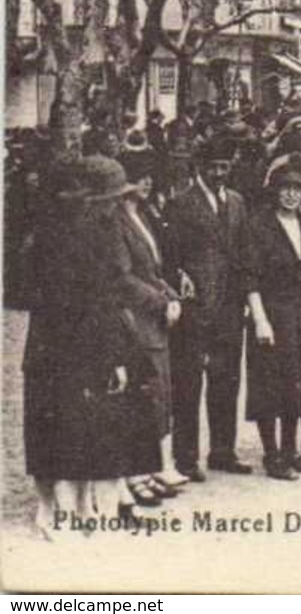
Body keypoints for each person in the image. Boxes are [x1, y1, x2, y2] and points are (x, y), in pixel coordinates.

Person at [26, 157, 153, 532]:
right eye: (110, 199)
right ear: (89, 200)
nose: (115, 206)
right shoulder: (80, 238)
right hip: (69, 346)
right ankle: (60, 513)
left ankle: (82, 510)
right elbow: (96, 300)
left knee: (78, 426)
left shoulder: (60, 231)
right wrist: (112, 357)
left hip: (59, 344)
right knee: (66, 427)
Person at [244, 158, 301, 480]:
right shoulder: (259, 225)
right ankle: (273, 455)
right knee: (270, 382)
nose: (291, 196)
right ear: (275, 192)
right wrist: (260, 320)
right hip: (273, 310)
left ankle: (291, 450)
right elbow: (251, 277)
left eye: (297, 190)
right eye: (286, 189)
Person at [166, 136, 252, 479]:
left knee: (226, 380)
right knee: (188, 383)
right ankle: (186, 458)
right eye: (213, 167)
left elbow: (244, 253)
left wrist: (246, 299)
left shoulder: (237, 202)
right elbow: (169, 255)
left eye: (224, 167)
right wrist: (180, 277)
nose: (219, 172)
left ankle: (222, 451)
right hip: (195, 307)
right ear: (200, 167)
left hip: (230, 307)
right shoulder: (181, 204)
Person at [112, 151, 185, 505]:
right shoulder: (116, 222)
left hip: (154, 319)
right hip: (134, 320)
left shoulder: (141, 216)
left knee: (157, 394)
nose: (147, 182)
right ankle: (134, 473)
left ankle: (151, 467)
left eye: (149, 176)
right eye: (139, 176)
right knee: (142, 395)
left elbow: (152, 269)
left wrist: (171, 293)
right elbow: (124, 278)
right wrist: (160, 300)